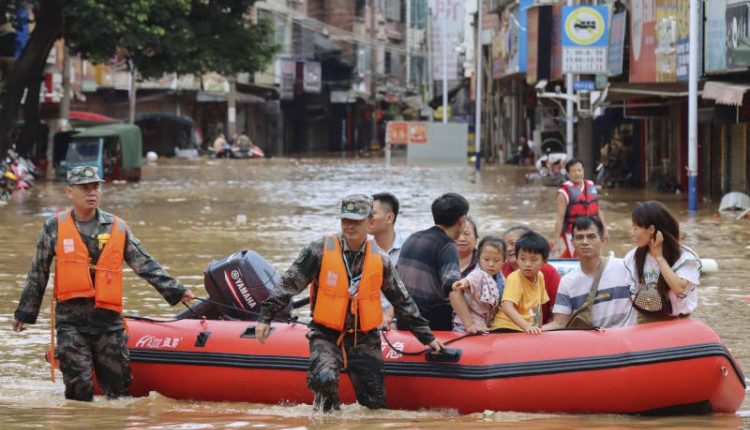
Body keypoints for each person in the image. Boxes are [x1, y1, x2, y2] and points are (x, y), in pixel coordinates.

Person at [11, 166, 194, 401]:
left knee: (118, 392)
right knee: (79, 388)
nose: (92, 193)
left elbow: (144, 264)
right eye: (84, 188)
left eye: (95, 187)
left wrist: (177, 290)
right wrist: (25, 313)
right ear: (69, 192)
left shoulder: (117, 226)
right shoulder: (53, 227)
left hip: (108, 322)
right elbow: (38, 272)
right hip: (71, 322)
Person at [254, 194, 442, 412]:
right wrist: (265, 317)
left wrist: (427, 337)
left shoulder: (381, 260)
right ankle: (327, 421)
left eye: (356, 221)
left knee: (375, 402)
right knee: (324, 378)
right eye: (346, 220)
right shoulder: (318, 251)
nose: (350, 226)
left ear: (370, 222)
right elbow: (289, 284)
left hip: (364, 336)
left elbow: (402, 300)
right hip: (325, 333)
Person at [543, 216, 636, 330]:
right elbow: (560, 323)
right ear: (572, 243)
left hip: (627, 339)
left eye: (591, 236)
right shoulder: (567, 282)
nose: (585, 242)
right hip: (593, 343)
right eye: (579, 237)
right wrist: (528, 332)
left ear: (603, 240)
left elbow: (645, 305)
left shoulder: (625, 267)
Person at [397, 193, 469, 331]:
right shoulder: (447, 245)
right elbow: (451, 287)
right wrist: (470, 324)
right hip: (431, 325)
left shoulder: (413, 237)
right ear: (461, 220)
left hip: (404, 320)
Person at [624, 201, 701, 324]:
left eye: (635, 228)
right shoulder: (632, 257)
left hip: (679, 321)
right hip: (645, 319)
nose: (633, 233)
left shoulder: (685, 257)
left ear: (651, 229)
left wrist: (659, 258)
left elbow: (679, 289)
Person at [491, 231, 550, 334]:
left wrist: (539, 328)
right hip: (506, 327)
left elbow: (538, 307)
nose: (527, 264)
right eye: (522, 259)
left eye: (533, 260)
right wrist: (527, 326)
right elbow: (506, 306)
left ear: (544, 262)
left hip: (525, 329)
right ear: (517, 259)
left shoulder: (540, 277)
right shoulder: (515, 278)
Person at [501, 225, 559, 324]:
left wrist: (538, 328)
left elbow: (554, 310)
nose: (509, 249)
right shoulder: (500, 270)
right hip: (510, 327)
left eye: (512, 244)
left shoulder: (547, 272)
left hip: (533, 327)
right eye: (505, 245)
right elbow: (506, 306)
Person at [551, 159, 608, 258]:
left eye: (579, 170)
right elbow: (559, 219)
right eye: (573, 171)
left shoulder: (590, 185)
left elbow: (597, 210)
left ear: (583, 171)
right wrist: (556, 241)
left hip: (592, 228)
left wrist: (605, 229)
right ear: (568, 174)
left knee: (594, 254)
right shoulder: (563, 192)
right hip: (572, 231)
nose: (577, 173)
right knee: (581, 256)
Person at [450, 236, 507, 333]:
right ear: (478, 258)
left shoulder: (501, 280)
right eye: (486, 259)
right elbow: (469, 280)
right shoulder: (478, 274)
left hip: (484, 323)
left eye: (496, 260)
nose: (491, 264)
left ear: (504, 261)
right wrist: (462, 283)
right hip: (465, 325)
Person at [369, 192, 407, 326]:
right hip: (369, 321)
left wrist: (388, 316)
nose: (366, 218)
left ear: (389, 218)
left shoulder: (408, 249)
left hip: (400, 321)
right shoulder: (362, 251)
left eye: (372, 213)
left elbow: (408, 289)